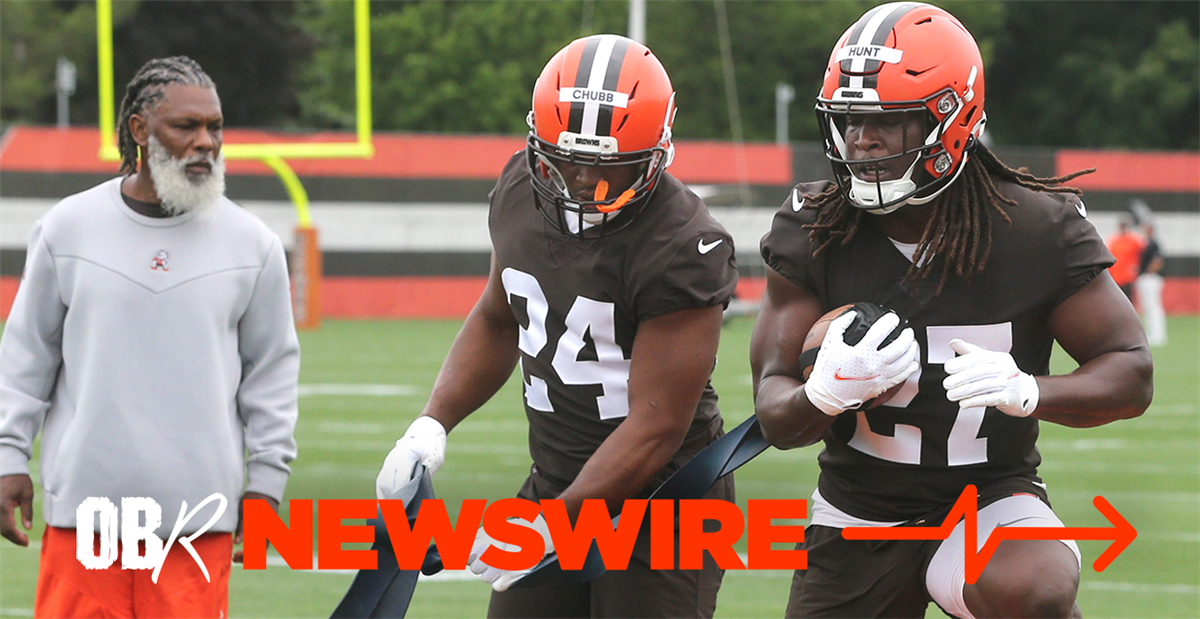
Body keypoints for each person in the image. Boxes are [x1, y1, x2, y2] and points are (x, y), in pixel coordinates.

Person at [749, 4, 1153, 619]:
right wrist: (822, 395)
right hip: (860, 505)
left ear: (951, 124)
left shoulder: (1033, 228)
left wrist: (1029, 391)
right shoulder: (815, 226)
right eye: (851, 121)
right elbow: (775, 415)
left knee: (1033, 588)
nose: (862, 140)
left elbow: (1131, 370)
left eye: (891, 122)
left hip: (989, 493)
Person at [375, 34, 738, 619]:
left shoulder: (682, 243)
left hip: (663, 508)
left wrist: (555, 524)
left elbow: (655, 426)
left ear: (659, 152)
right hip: (558, 483)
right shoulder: (520, 187)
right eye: (564, 160)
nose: (580, 185)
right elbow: (499, 317)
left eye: (608, 168)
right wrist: (430, 424)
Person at [0, 56, 299, 618]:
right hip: (85, 520)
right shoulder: (67, 227)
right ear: (139, 130)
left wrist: (266, 484)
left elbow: (272, 375)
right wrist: (7, 457)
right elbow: (24, 358)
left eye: (215, 128)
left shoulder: (251, 243)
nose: (205, 142)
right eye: (185, 127)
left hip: (197, 524)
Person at [1136, 223, 1167, 346]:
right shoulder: (1147, 243)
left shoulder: (1154, 244)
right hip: (1146, 277)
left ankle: (1158, 334)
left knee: (1153, 306)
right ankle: (1152, 332)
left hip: (1150, 278)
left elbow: (1158, 260)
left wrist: (1149, 272)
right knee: (1147, 307)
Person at [1106, 218, 1145, 300]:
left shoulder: (1134, 240)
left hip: (1128, 276)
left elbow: (1143, 254)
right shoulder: (1114, 240)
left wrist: (1137, 268)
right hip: (1116, 276)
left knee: (1128, 298)